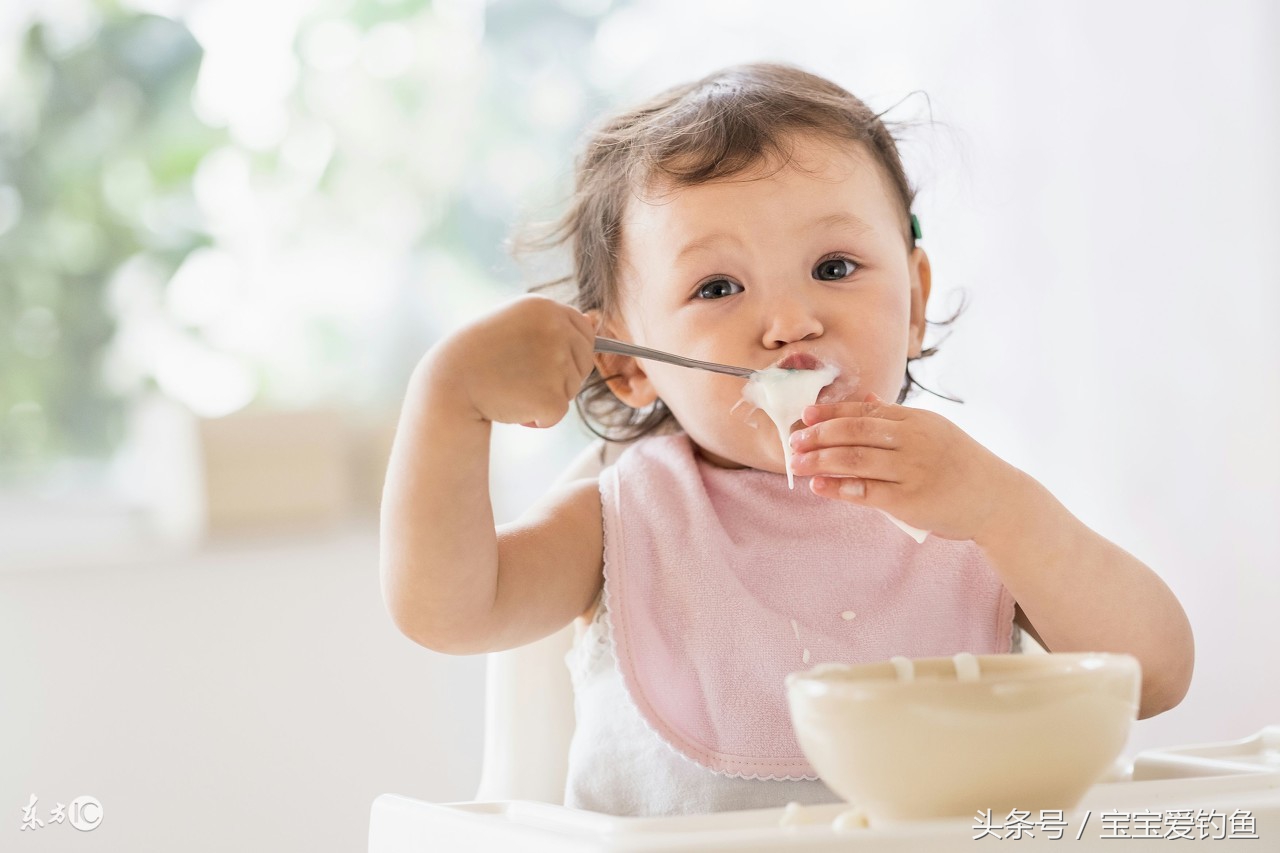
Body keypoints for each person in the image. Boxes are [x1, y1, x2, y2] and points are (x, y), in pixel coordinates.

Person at [380, 62, 1194, 817]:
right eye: (718, 286)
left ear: (914, 303)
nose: (790, 322)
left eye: (834, 267)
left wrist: (1002, 511)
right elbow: (449, 610)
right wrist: (450, 400)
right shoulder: (627, 519)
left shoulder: (969, 505)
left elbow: (1153, 676)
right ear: (628, 365)